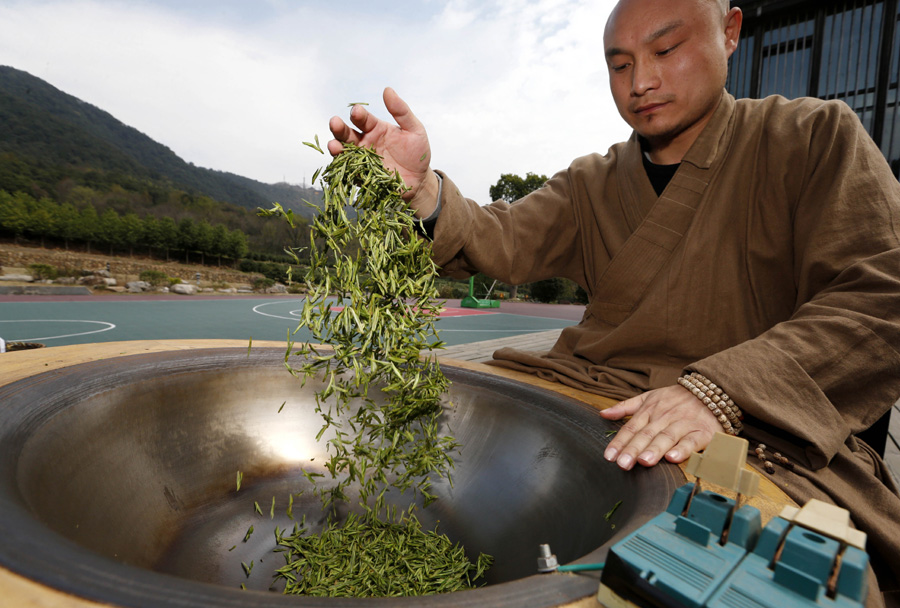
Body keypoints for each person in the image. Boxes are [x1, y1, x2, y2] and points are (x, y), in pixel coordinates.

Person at [328, 0, 900, 604]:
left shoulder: (811, 137)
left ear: (729, 32)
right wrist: (425, 193)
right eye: (619, 64)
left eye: (666, 50)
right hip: (587, 389)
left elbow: (882, 294)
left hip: (755, 424)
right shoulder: (592, 183)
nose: (641, 82)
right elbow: (501, 238)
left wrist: (723, 389)